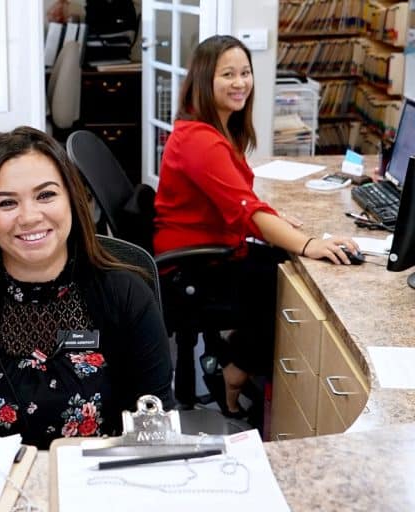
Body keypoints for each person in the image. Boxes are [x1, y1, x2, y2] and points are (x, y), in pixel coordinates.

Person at [0, 126, 175, 448]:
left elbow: (156, 431)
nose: (29, 217)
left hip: (99, 475)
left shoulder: (126, 296)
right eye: (7, 203)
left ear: (73, 199)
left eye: (45, 195)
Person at [153, 35, 361, 419]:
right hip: (190, 268)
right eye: (228, 74)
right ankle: (237, 369)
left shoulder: (210, 129)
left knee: (281, 263)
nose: (240, 83)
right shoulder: (202, 141)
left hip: (205, 251)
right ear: (205, 80)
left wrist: (275, 218)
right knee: (287, 281)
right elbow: (246, 211)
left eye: (245, 73)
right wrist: (308, 243)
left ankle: (240, 354)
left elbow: (238, 198)